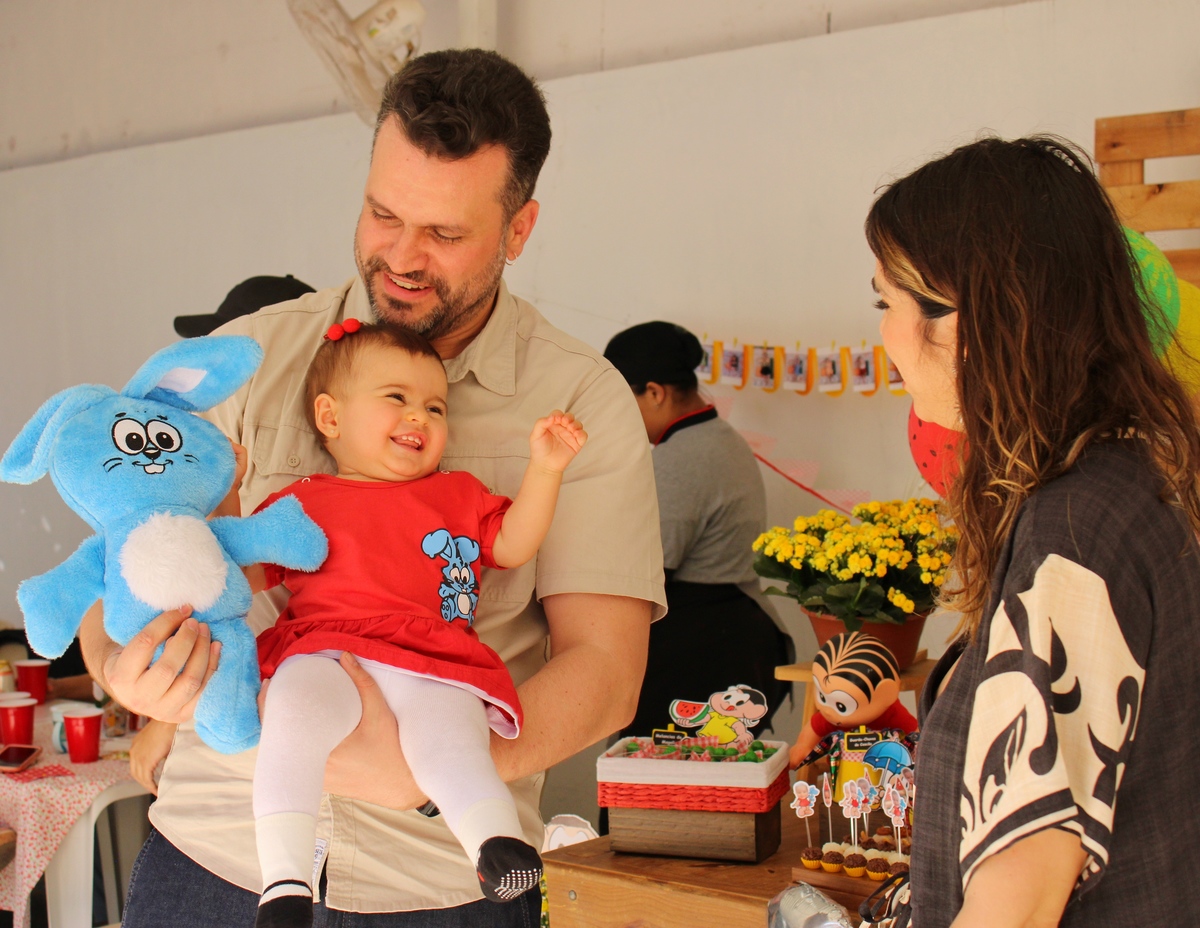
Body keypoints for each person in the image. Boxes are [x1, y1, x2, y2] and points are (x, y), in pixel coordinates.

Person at [81, 48, 665, 927]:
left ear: (519, 230)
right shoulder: (250, 358)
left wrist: (437, 766)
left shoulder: (581, 399)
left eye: (446, 235)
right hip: (216, 851)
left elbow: (606, 670)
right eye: (383, 214)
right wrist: (124, 672)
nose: (402, 257)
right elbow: (120, 566)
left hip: (436, 875)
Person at [866, 136, 1200, 927]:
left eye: (885, 303)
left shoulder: (1077, 533)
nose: (882, 340)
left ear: (962, 320)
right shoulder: (1135, 478)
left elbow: (1015, 906)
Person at [250, 320, 586, 926]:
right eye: (396, 397)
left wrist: (546, 469)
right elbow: (245, 573)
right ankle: (283, 882)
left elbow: (513, 544)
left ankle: (494, 843)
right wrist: (224, 499)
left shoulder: (456, 493)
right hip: (326, 651)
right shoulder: (301, 503)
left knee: (452, 737)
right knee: (290, 718)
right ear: (330, 417)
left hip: (433, 657)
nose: (420, 417)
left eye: (436, 407)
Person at [603, 321, 792, 738]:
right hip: (738, 633)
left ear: (655, 393)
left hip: (702, 647)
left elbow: (647, 571)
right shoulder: (720, 437)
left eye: (620, 400)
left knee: (655, 773)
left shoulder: (680, 458)